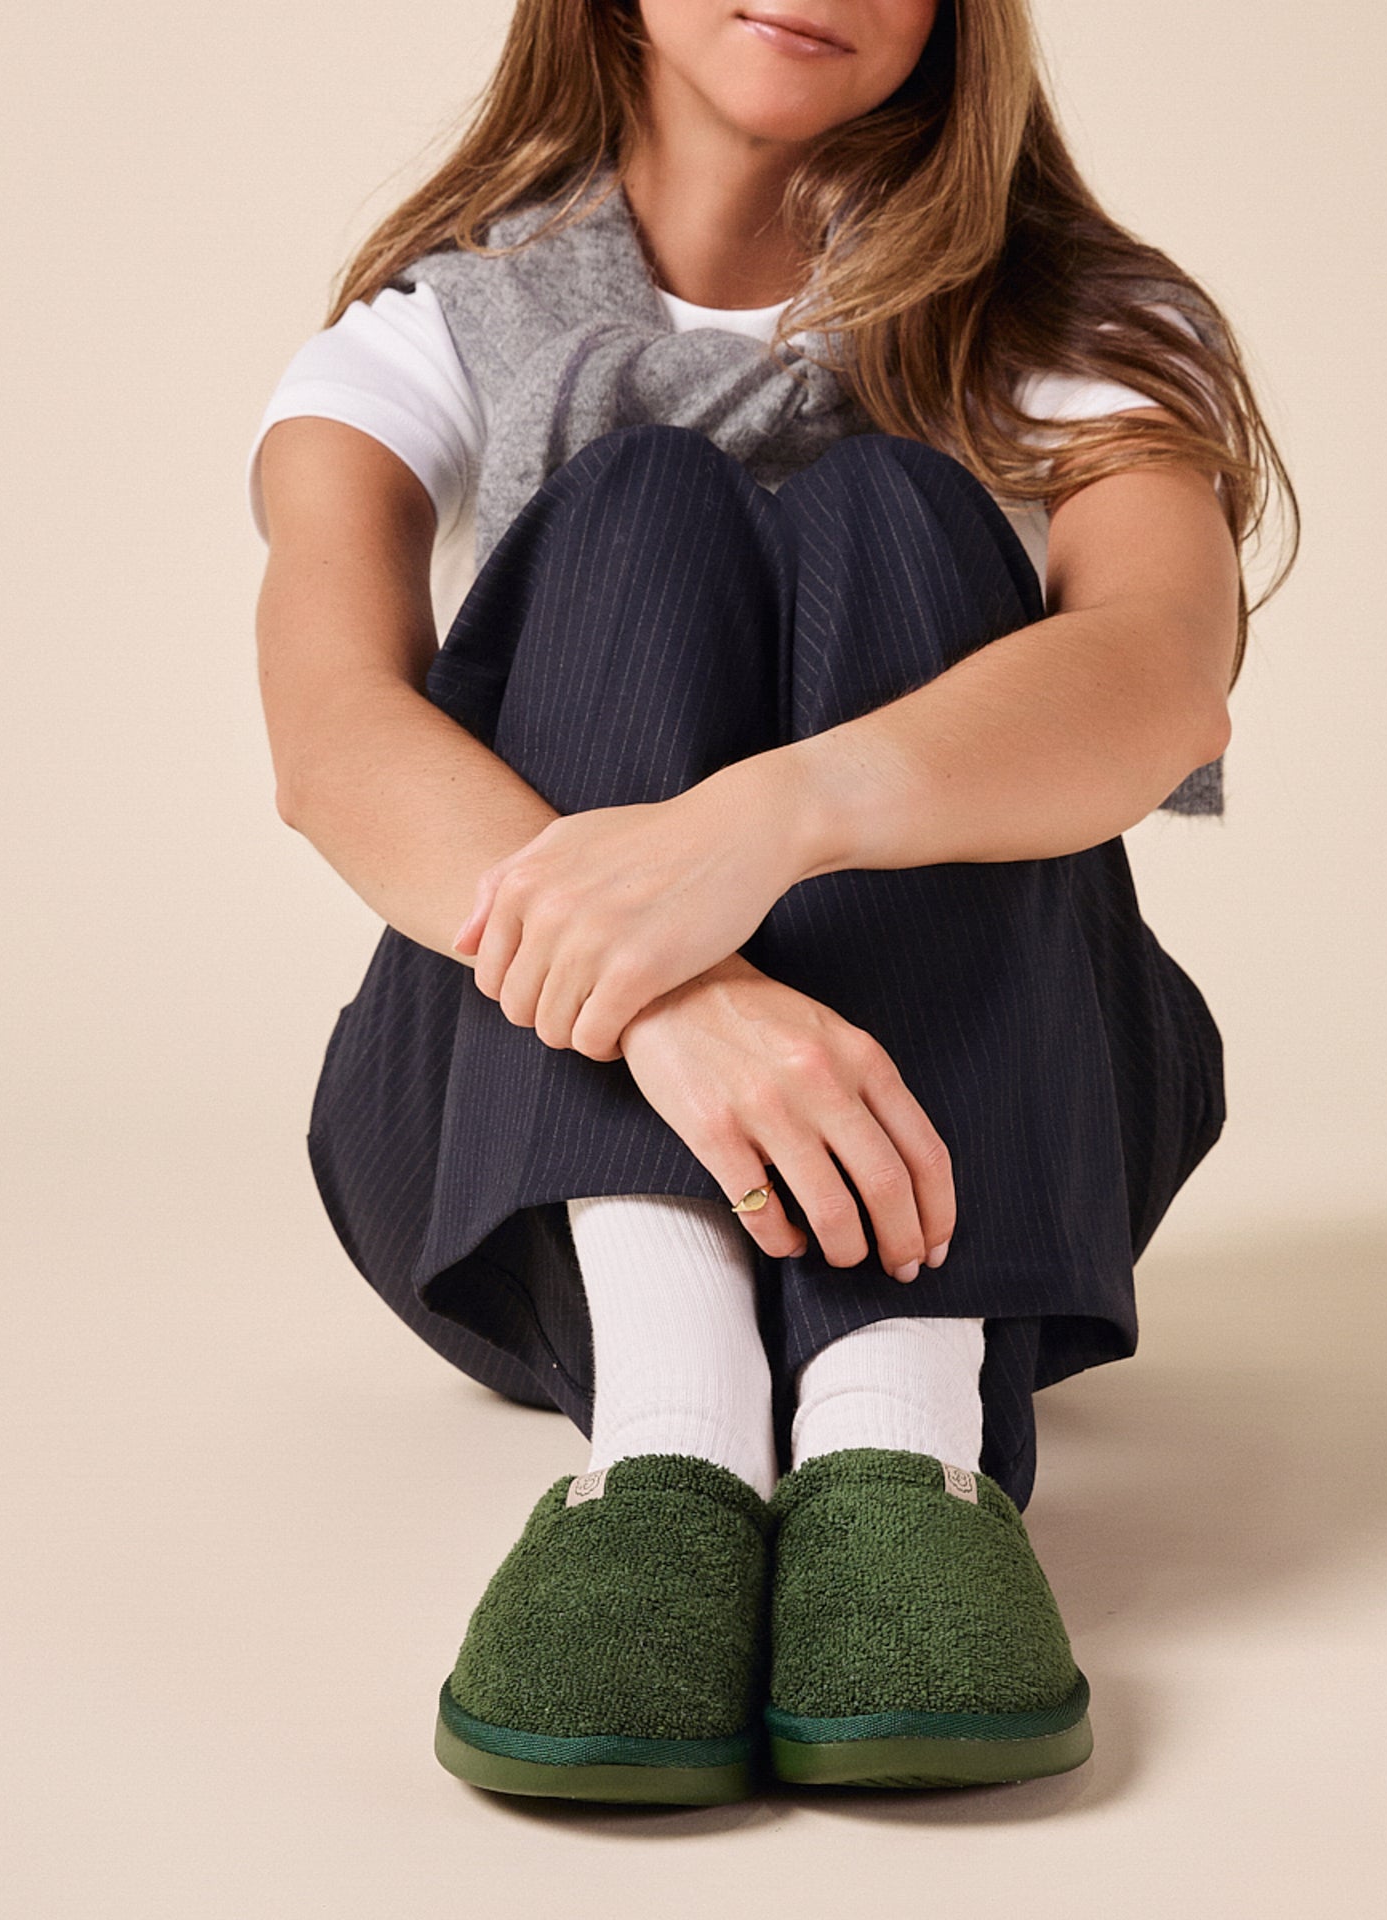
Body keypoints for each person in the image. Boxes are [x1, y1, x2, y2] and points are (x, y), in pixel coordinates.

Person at [248, 0, 1292, 1806]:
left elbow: (1157, 673)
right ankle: (673, 1432)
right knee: (631, 505)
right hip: (511, 1154)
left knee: (903, 507)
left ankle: (901, 1420)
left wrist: (772, 822)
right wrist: (668, 995)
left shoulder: (1086, 324)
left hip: (1002, 1134)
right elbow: (334, 733)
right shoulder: (433, 326)